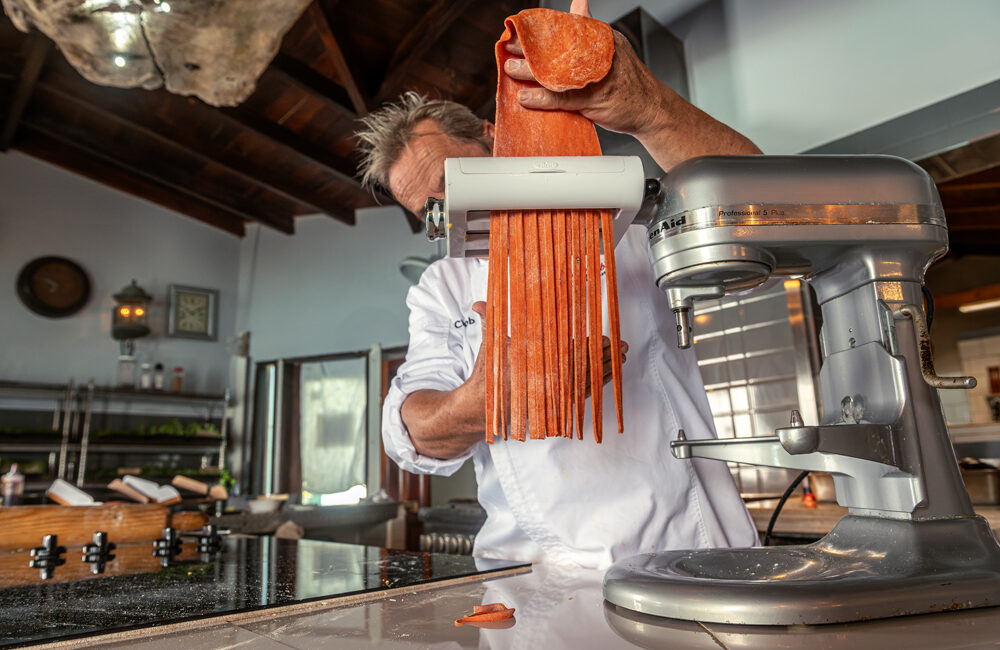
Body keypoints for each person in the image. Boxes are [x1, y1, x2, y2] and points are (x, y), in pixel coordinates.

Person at [357, 1, 761, 570]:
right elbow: (410, 432)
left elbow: (757, 216)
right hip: (537, 571)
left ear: (497, 139)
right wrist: (491, 398)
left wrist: (650, 109)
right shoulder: (443, 285)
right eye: (433, 212)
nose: (456, 213)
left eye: (456, 181)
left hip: (686, 547)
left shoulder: (631, 232)